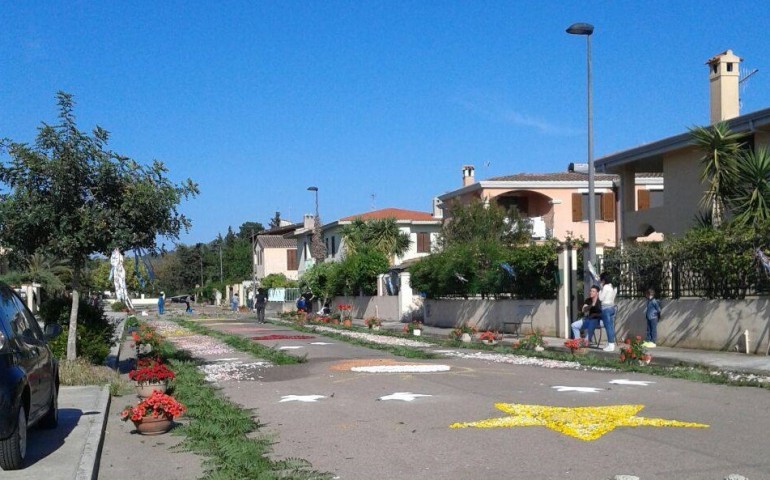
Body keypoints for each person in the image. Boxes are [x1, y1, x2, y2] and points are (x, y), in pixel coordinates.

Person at [599, 272, 618, 352]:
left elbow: (600, 298)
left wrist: (600, 289)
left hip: (606, 309)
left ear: (603, 280)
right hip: (612, 308)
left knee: (608, 327)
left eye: (601, 279)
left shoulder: (605, 287)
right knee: (611, 327)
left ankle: (610, 345)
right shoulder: (611, 286)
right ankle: (611, 343)